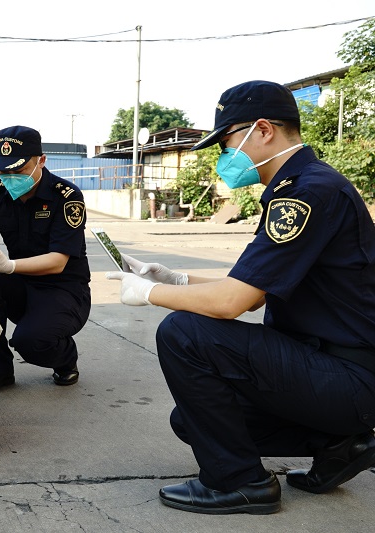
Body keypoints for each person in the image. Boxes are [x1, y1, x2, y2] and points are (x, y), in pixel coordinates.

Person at [106, 80, 375, 515]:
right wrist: (174, 279)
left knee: (183, 332)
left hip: (347, 376)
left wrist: (152, 295)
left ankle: (240, 482)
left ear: (263, 129)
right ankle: (341, 443)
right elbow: (250, 293)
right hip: (334, 372)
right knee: (191, 421)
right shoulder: (301, 184)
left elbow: (232, 303)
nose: (223, 156)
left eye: (227, 141)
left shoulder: (306, 192)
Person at [0, 126, 91, 394]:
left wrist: (9, 266)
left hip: (63, 290)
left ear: (41, 161)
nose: (9, 178)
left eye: (17, 171)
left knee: (31, 343)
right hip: (22, 285)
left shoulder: (66, 196)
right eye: (3, 171)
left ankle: (65, 357)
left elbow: (58, 261)